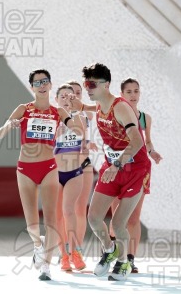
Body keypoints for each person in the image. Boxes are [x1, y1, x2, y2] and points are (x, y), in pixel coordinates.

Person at [0, 69, 83, 281]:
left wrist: (75, 116)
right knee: (32, 223)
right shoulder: (23, 109)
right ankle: (37, 244)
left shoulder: (58, 112)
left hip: (49, 167)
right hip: (25, 168)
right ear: (32, 87)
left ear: (50, 85)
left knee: (51, 219)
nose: (42, 85)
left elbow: (78, 132)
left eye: (45, 81)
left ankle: (46, 265)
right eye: (37, 83)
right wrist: (10, 125)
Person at [70, 63, 151, 281]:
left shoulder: (121, 108)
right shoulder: (99, 104)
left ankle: (124, 262)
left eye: (91, 84)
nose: (88, 87)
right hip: (113, 166)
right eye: (86, 84)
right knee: (94, 218)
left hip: (135, 168)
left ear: (106, 85)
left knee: (118, 223)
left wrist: (117, 166)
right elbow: (92, 108)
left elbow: (136, 142)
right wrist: (80, 106)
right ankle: (109, 249)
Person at [108, 78, 163, 273]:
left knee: (134, 218)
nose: (133, 95)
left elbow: (147, 142)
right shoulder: (115, 113)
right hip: (118, 167)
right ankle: (114, 255)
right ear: (121, 94)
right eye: (129, 91)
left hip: (140, 170)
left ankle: (130, 259)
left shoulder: (145, 118)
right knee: (117, 218)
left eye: (136, 91)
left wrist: (153, 151)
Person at [53, 84, 86, 271]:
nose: (67, 99)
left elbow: (82, 138)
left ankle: (75, 252)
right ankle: (63, 256)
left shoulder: (79, 118)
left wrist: (73, 113)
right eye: (63, 96)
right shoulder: (51, 118)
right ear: (56, 99)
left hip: (74, 172)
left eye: (70, 96)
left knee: (69, 211)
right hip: (54, 173)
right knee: (57, 216)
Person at [66, 80, 97, 258]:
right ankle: (65, 250)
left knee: (80, 210)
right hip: (65, 167)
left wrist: (87, 142)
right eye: (72, 93)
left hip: (84, 164)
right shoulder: (59, 115)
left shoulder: (87, 115)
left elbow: (84, 137)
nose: (75, 95)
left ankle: (76, 250)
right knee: (65, 211)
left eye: (78, 92)